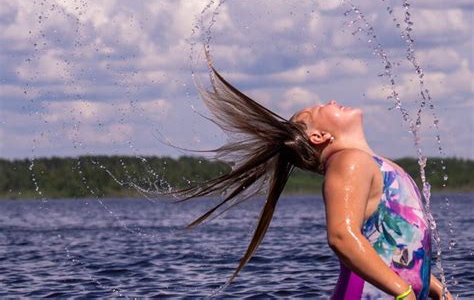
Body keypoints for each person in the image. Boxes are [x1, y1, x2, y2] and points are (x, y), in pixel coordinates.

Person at [177, 63, 453, 299]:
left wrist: (429, 285)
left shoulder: (374, 164)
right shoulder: (349, 162)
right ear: (318, 137)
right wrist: (402, 291)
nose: (330, 102)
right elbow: (342, 236)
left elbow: (388, 246)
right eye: (319, 109)